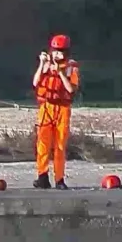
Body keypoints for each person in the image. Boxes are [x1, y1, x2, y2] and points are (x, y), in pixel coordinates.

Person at [32, 34, 80, 190]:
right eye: (55, 51)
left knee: (60, 145)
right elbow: (35, 82)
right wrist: (42, 64)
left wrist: (59, 72)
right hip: (46, 107)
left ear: (66, 52)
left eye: (60, 52)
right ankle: (42, 176)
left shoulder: (71, 67)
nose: (57, 54)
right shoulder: (46, 64)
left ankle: (59, 179)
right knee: (43, 144)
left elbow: (71, 89)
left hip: (63, 108)